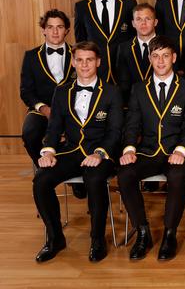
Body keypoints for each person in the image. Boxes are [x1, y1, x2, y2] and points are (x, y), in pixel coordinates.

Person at [33, 41, 123, 262]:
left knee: (94, 179)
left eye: (89, 60)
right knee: (41, 179)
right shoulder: (62, 91)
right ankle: (55, 239)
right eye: (80, 60)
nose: (84, 65)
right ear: (73, 62)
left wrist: (100, 154)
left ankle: (97, 239)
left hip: (102, 154)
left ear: (98, 62)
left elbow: (115, 132)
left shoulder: (112, 92)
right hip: (72, 151)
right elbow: (54, 128)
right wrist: (48, 152)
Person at [117, 36, 185, 261]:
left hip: (177, 152)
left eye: (165, 56)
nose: (161, 61)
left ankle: (169, 234)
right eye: (155, 56)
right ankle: (143, 232)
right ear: (150, 59)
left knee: (178, 176)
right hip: (148, 150)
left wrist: (182, 150)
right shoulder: (139, 89)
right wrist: (129, 149)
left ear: (173, 58)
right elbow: (132, 123)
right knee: (125, 174)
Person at [21, 10, 74, 167]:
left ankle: (74, 172)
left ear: (67, 30)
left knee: (82, 134)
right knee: (30, 133)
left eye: (60, 27)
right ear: (44, 30)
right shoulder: (31, 56)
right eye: (50, 27)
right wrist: (44, 109)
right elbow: (26, 91)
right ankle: (45, 169)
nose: (55, 31)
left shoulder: (79, 54)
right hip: (41, 110)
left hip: (74, 110)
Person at [74, 0, 136, 83]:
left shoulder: (129, 4)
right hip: (95, 74)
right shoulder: (82, 7)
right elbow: (81, 41)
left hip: (123, 72)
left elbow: (133, 38)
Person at [117, 3, 157, 104]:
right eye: (138, 19)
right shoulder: (124, 48)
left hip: (161, 102)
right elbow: (123, 82)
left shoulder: (168, 46)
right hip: (132, 103)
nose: (143, 23)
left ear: (155, 22)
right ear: (133, 23)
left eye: (148, 19)